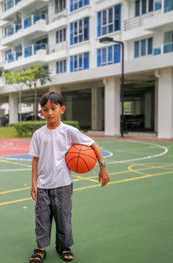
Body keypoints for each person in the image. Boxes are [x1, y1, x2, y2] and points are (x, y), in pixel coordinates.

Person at [28, 91, 109, 263]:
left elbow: (93, 144)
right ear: (41, 112)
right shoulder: (38, 134)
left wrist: (103, 167)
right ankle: (40, 249)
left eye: (53, 108)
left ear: (62, 109)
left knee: (64, 217)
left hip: (63, 184)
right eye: (45, 109)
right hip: (43, 185)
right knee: (42, 219)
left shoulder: (69, 131)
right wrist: (33, 183)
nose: (49, 112)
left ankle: (63, 246)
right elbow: (35, 160)